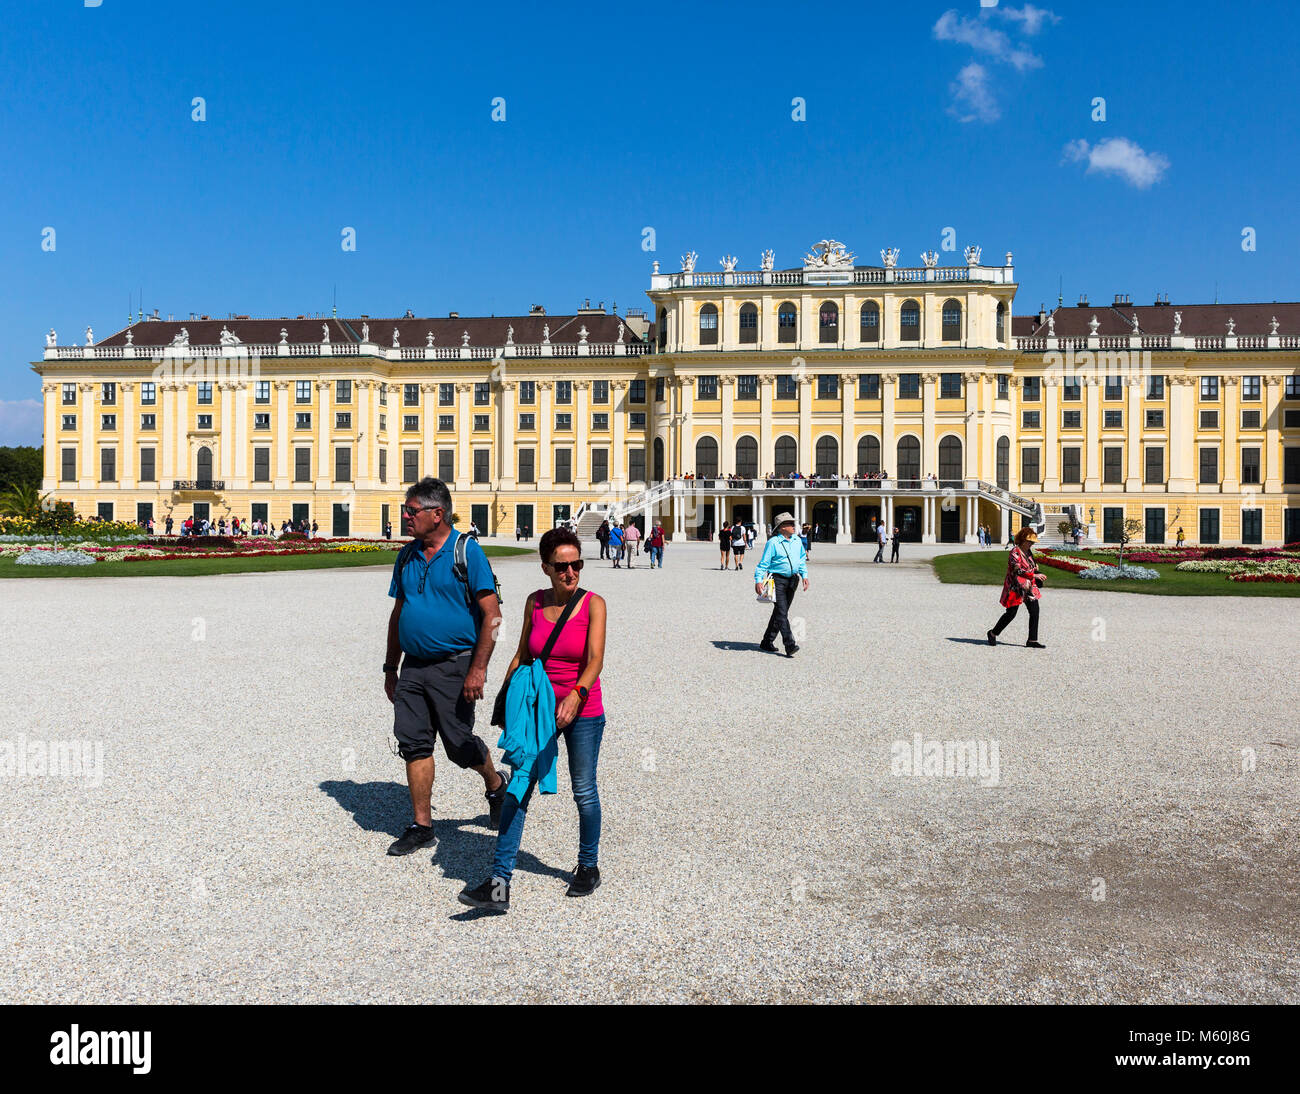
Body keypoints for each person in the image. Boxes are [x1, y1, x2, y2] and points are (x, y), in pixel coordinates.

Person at [458, 527, 607, 913]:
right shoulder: (534, 603)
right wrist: (506, 696)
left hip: (582, 709)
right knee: (518, 787)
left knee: (584, 789)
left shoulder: (594, 604)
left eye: (576, 564)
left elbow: (595, 661)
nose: (571, 572)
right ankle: (499, 882)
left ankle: (588, 866)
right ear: (545, 567)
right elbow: (524, 654)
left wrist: (577, 694)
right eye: (562, 566)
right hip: (538, 709)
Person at [383, 478, 508, 856]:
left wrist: (478, 669)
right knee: (414, 743)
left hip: (455, 667)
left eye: (412, 511)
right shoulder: (406, 556)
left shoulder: (466, 552)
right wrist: (391, 667)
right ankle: (422, 825)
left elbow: (493, 616)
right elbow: (398, 613)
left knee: (458, 745)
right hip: (414, 669)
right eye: (406, 510)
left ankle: (496, 783)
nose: (406, 516)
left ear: (438, 514)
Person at [753, 511, 809, 657]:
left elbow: (801, 559)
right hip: (777, 580)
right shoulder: (773, 543)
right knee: (782, 612)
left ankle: (767, 641)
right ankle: (789, 644)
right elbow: (763, 563)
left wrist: (804, 575)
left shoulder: (796, 540)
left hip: (793, 580)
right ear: (782, 527)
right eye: (790, 524)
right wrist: (758, 580)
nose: (793, 526)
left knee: (780, 613)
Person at [987, 527, 1046, 649]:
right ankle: (993, 633)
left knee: (1035, 611)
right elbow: (1017, 570)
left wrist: (1037, 573)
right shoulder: (1015, 552)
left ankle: (1032, 640)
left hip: (1029, 587)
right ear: (1023, 540)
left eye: (1032, 542)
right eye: (1030, 541)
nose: (1031, 544)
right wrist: (1034, 574)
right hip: (1015, 587)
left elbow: (1032, 567)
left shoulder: (1029, 553)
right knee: (1011, 614)